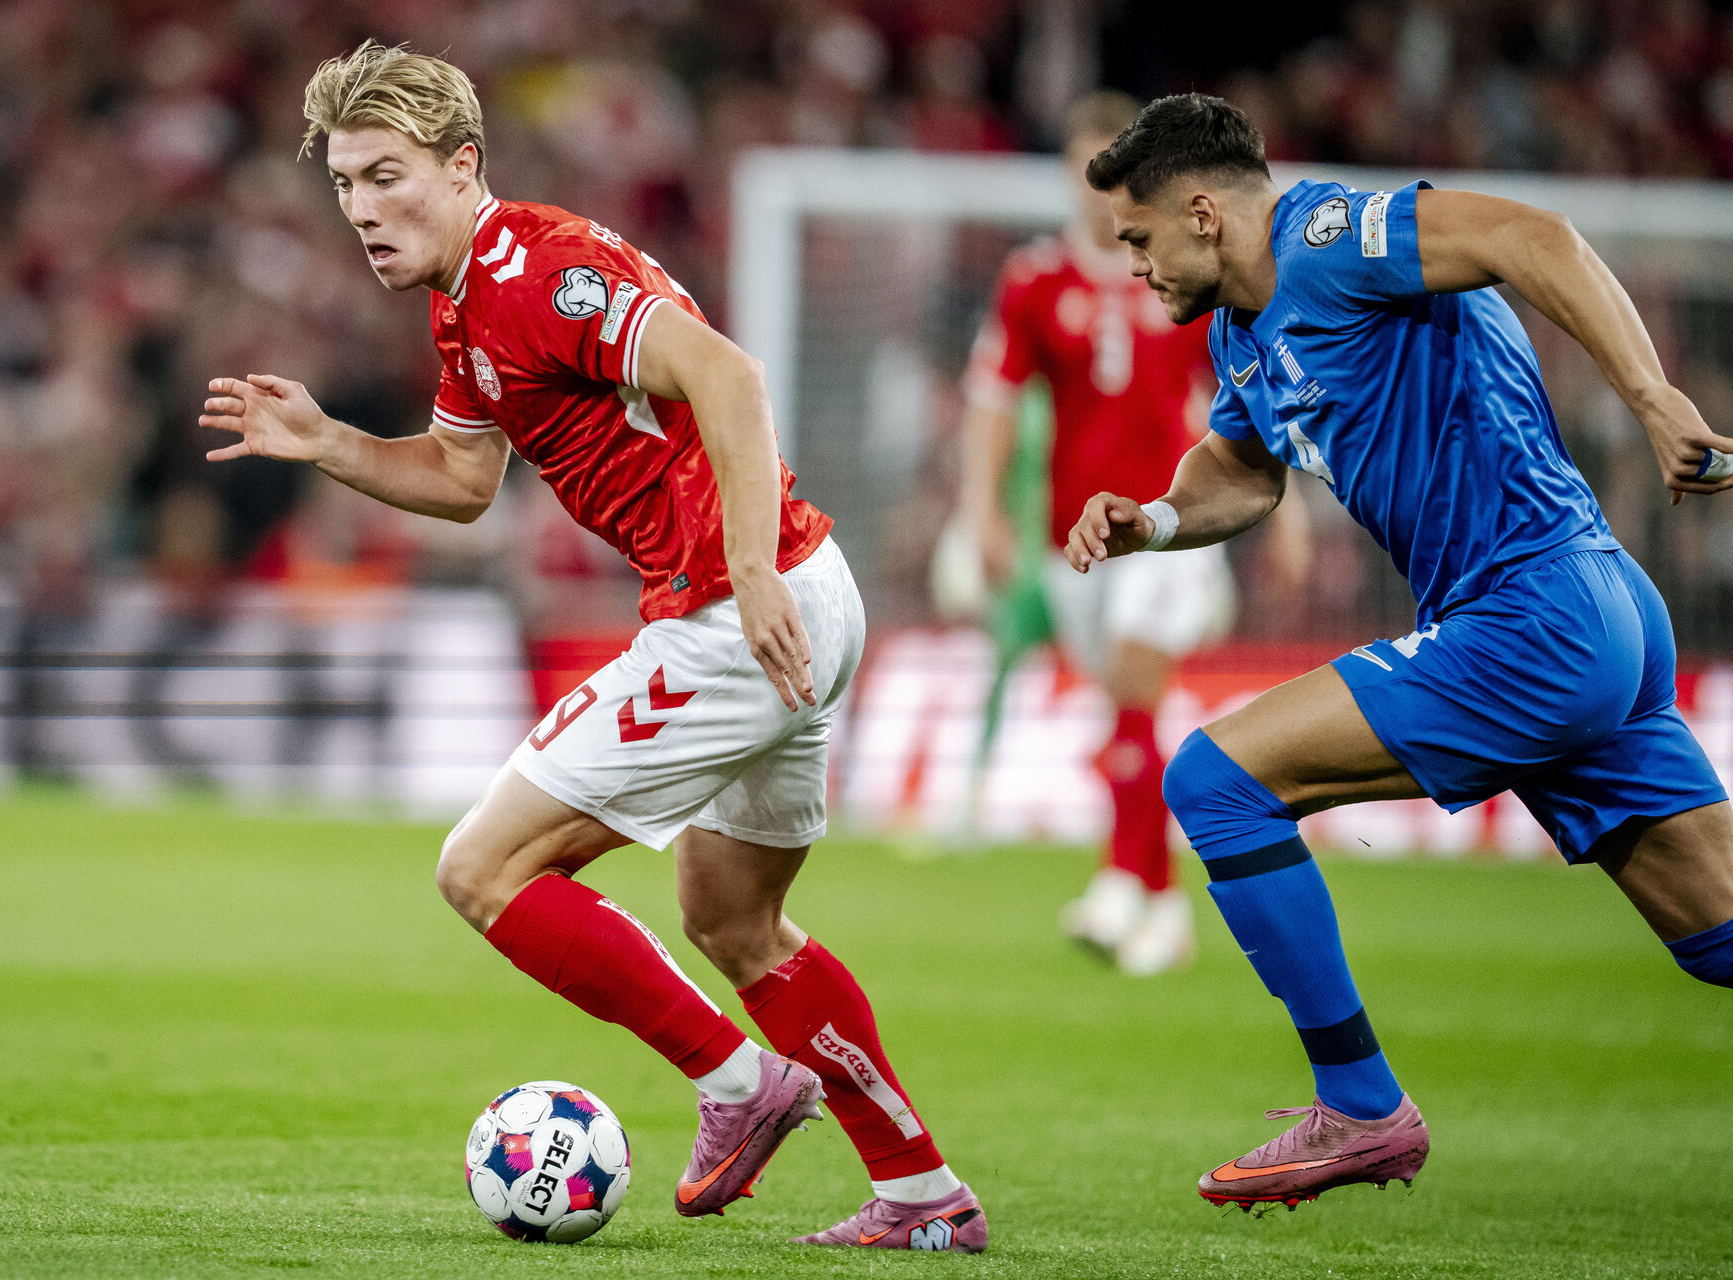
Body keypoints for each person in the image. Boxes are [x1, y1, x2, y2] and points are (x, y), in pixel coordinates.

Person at [198, 42, 985, 1252]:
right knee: (734, 919)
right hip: (793, 598)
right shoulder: (466, 305)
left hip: (740, 607)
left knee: (483, 868)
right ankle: (925, 1193)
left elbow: (725, 372)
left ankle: (739, 1085)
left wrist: (752, 572)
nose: (360, 208)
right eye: (345, 182)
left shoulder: (535, 270)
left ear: (464, 167)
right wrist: (331, 443)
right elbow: (464, 479)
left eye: (385, 174)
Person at [1067, 93, 1733, 1211]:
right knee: (1718, 935)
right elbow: (1242, 470)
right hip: (1588, 610)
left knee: (1215, 779)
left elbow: (1537, 239)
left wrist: (1654, 396)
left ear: (1201, 211)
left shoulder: (1331, 238)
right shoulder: (1244, 328)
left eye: (1137, 239)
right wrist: (1159, 520)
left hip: (1533, 617)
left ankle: (1360, 1103)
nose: (1131, 264)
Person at [958, 91, 1305, 975]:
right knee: (1122, 705)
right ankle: (1151, 898)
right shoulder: (1035, 279)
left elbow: (1243, 401)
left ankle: (1127, 883)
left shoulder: (1184, 271)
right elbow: (996, 401)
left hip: (1166, 524)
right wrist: (983, 512)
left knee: (1133, 680)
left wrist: (1287, 510)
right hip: (1070, 533)